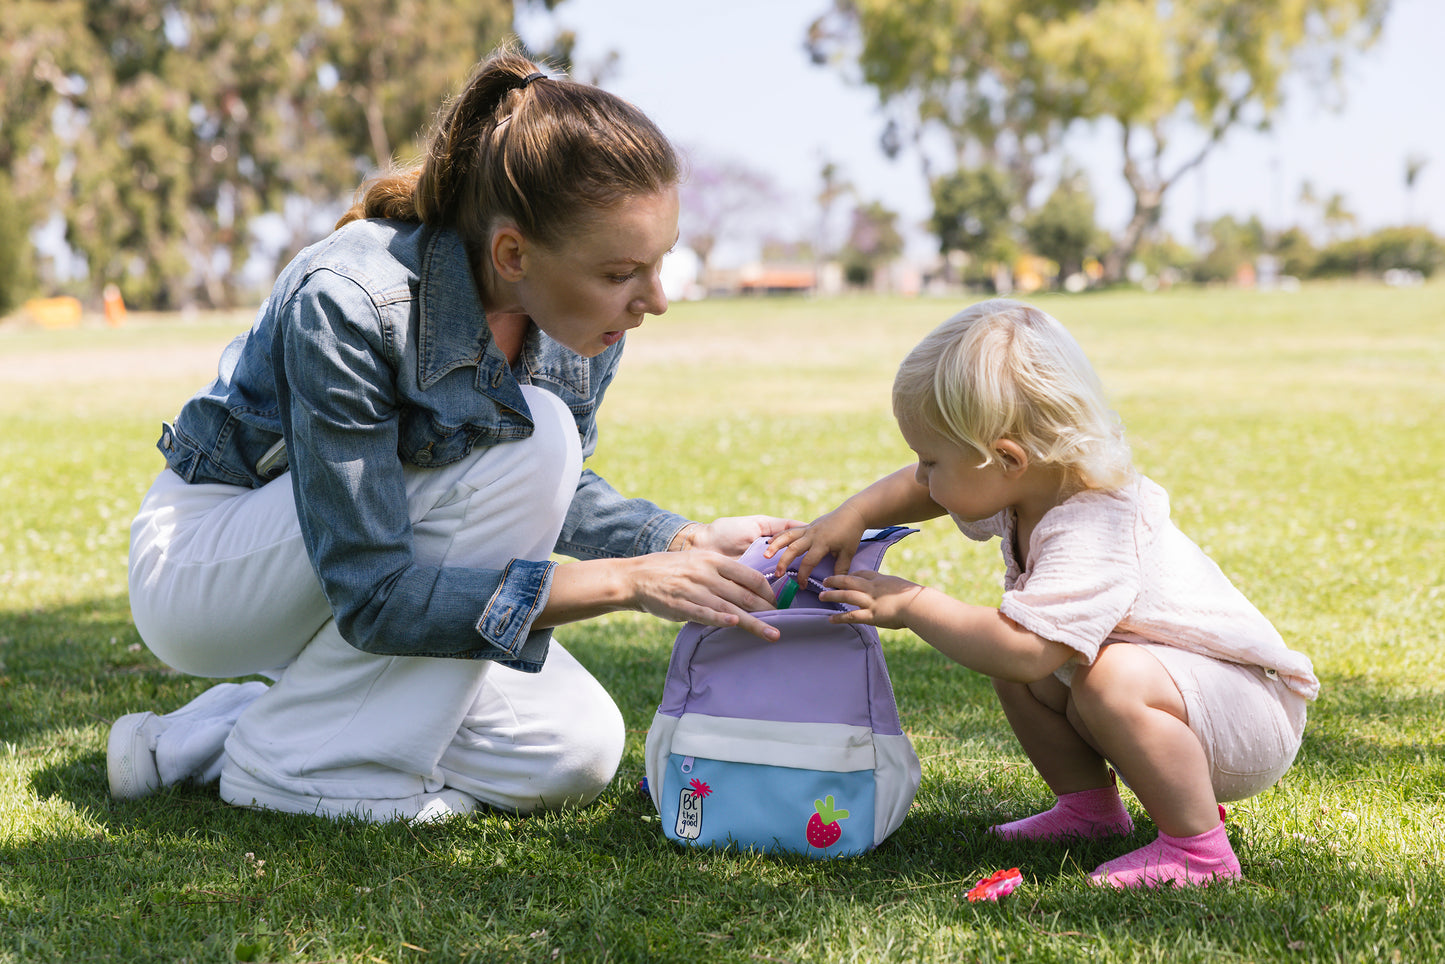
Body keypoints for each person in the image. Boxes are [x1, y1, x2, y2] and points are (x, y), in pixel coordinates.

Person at [110, 46, 799, 823]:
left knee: (574, 748)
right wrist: (629, 583)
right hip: (212, 574)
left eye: (657, 263)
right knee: (533, 434)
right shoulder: (348, 298)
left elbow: (545, 488)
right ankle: (286, 773)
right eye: (619, 274)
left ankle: (218, 734)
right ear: (513, 253)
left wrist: (682, 541)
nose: (655, 299)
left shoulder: (578, 322)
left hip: (352, 574)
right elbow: (373, 591)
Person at [767, 298, 1318, 889]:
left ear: (1006, 459)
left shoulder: (1093, 523)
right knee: (1025, 664)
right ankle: (1090, 814)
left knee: (1080, 668)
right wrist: (851, 514)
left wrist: (911, 603)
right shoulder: (1030, 485)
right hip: (1189, 698)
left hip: (1245, 717)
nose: (922, 477)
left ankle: (1201, 854)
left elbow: (1027, 648)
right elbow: (923, 494)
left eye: (931, 460)